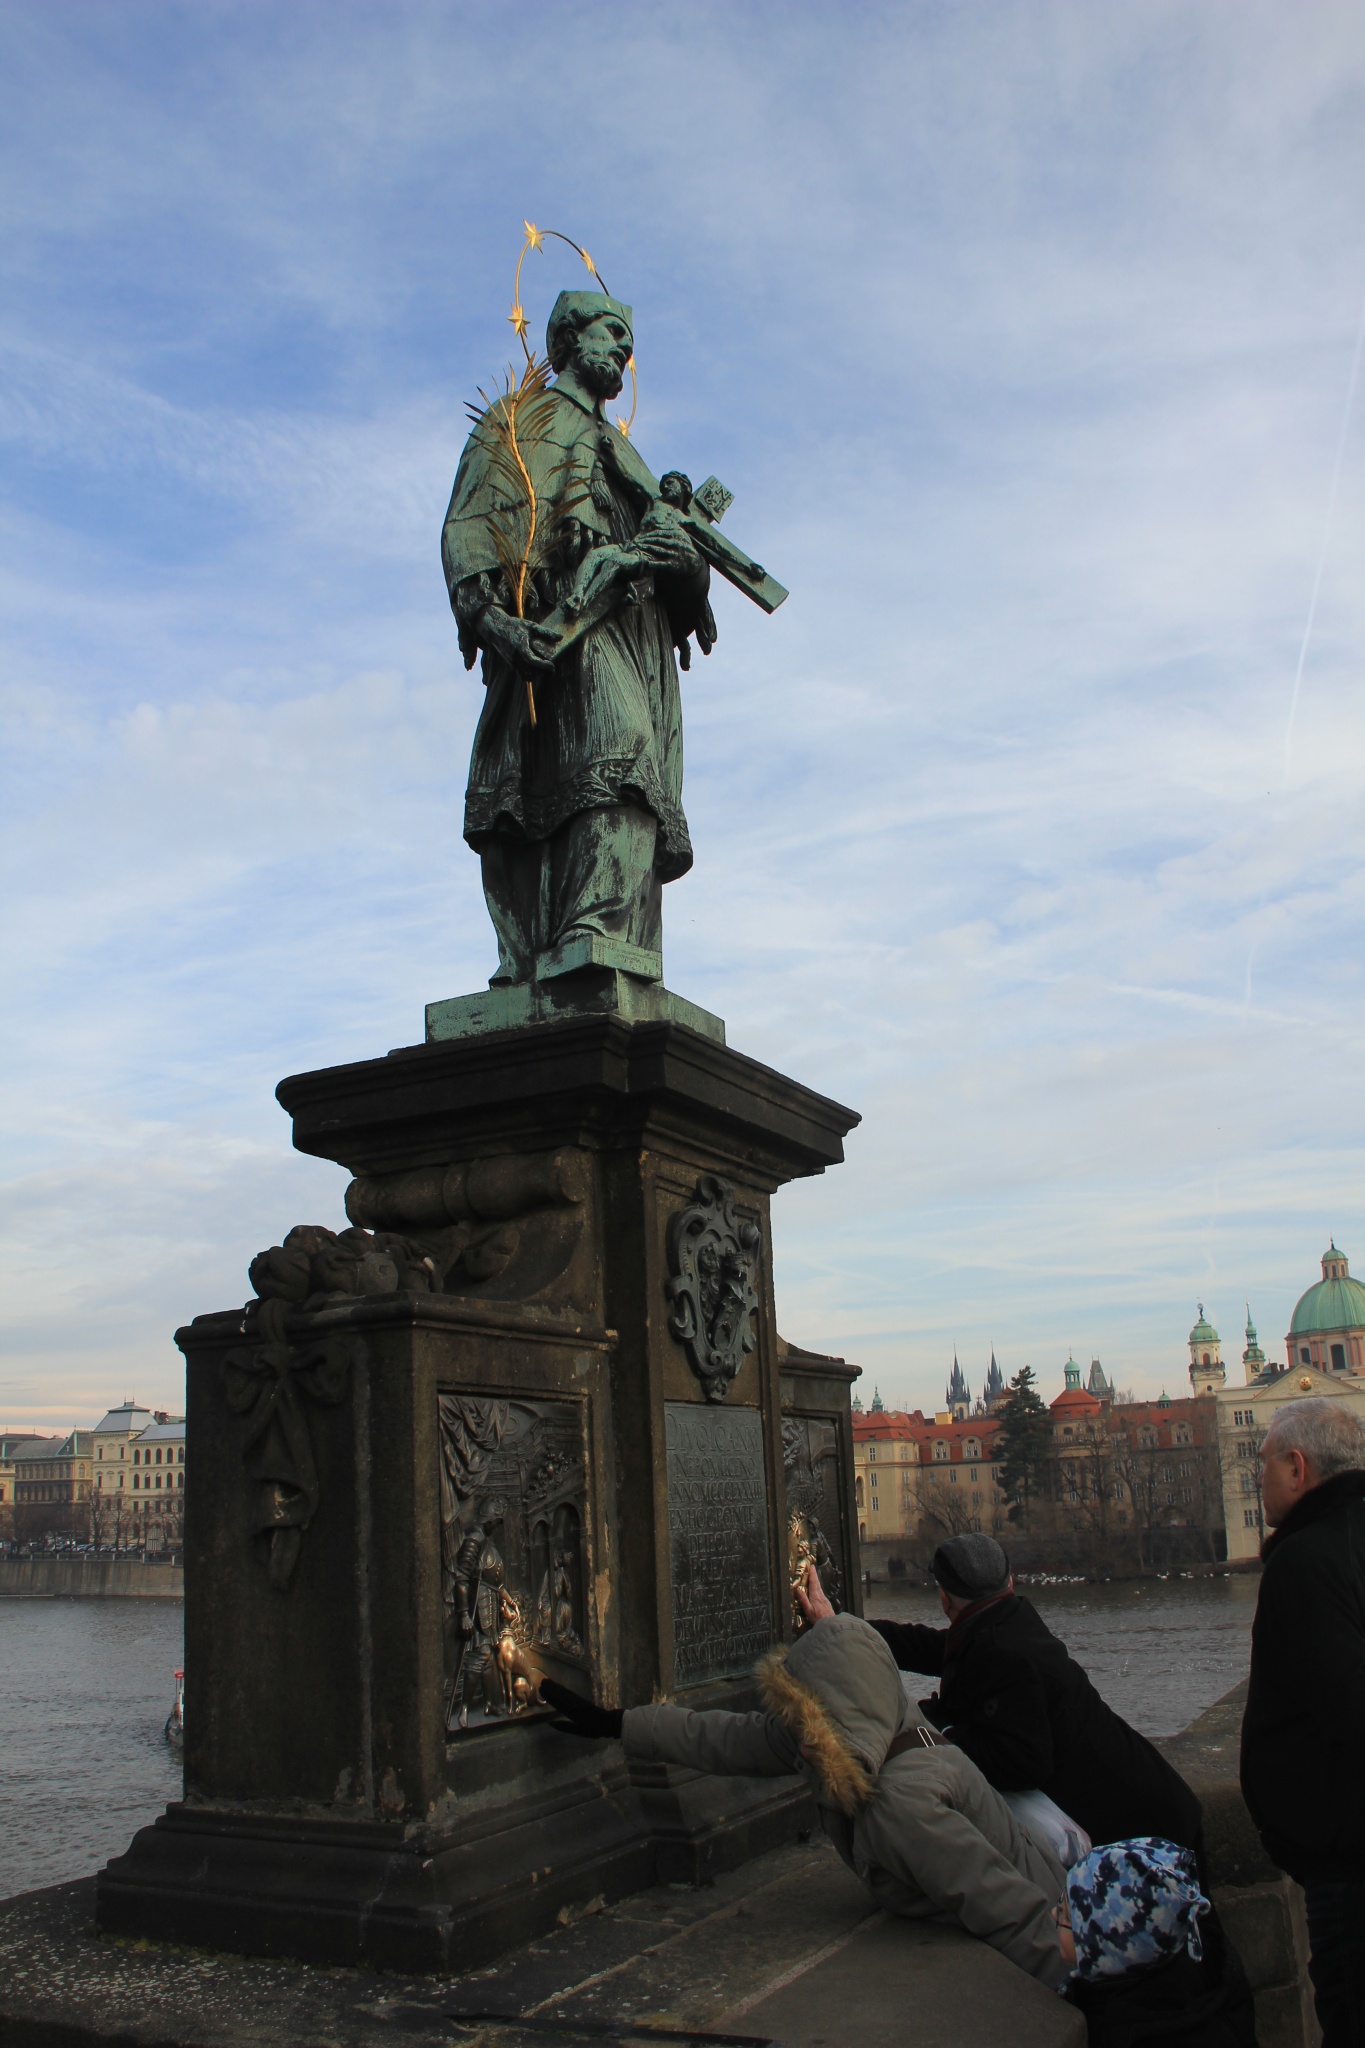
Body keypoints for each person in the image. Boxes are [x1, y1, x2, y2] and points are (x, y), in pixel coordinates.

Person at [544, 1610, 1077, 1988]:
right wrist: (616, 1724)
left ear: (832, 1719)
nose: (797, 1735)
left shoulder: (899, 1806)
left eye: (807, 1718)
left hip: (1052, 1919)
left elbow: (1006, 1907)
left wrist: (1084, 1985)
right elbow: (726, 1738)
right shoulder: (880, 1728)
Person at [441, 292, 715, 985]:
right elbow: (470, 525)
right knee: (574, 772)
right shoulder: (516, 422)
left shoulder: (625, 451)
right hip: (554, 630)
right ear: (566, 340)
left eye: (629, 340)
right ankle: (549, 944)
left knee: (628, 773)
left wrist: (676, 559)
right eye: (609, 333)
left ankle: (596, 932)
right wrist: (494, 621)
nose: (623, 349)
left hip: (631, 635)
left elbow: (679, 562)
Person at [821, 1532, 1201, 1855]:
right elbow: (930, 1647)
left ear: (945, 1599)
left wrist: (940, 1731)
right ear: (1010, 1582)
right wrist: (845, 1628)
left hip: (1139, 1831)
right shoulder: (1006, 1625)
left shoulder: (1002, 1651)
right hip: (1156, 1808)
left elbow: (1023, 1762)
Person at [1240, 1397, 1365, 2048]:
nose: (1255, 1480)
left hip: (1345, 1856)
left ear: (1296, 1467)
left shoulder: (1304, 1560)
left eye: (1260, 1465)